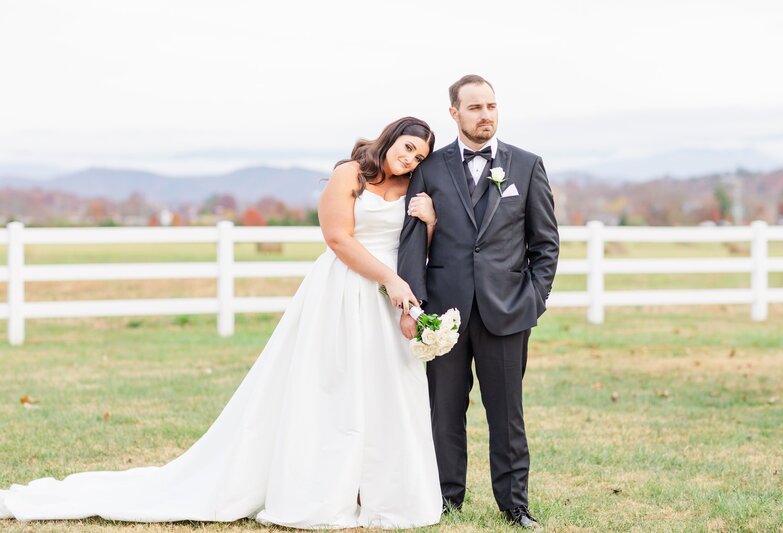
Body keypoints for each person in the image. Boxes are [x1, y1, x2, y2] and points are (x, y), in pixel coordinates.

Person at [0, 117, 442, 529]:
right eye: (407, 148)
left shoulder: (416, 187)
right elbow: (336, 237)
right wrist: (386, 277)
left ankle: (384, 495)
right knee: (330, 385)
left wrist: (429, 225)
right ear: (391, 137)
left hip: (392, 297)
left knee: (388, 390)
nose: (410, 160)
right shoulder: (352, 173)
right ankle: (319, 490)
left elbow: (415, 247)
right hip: (344, 288)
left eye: (419, 156)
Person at [398, 75, 560, 529]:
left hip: (508, 311)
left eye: (491, 106)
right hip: (444, 314)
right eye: (474, 108)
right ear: (454, 113)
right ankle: (446, 499)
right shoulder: (429, 168)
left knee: (507, 413)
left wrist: (534, 300)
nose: (485, 115)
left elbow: (545, 243)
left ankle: (515, 505)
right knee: (444, 410)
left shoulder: (526, 166)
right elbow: (413, 242)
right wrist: (417, 308)